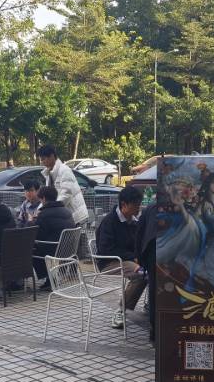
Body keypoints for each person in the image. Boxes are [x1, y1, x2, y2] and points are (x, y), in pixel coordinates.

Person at [95, 186, 147, 328]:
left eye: (139, 204)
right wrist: (133, 257)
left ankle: (151, 304)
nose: (139, 208)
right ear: (124, 204)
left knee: (152, 268)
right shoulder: (109, 221)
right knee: (141, 273)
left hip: (129, 260)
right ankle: (121, 311)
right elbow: (105, 249)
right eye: (136, 205)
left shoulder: (134, 221)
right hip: (109, 262)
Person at [32, 186, 74, 288]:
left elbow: (37, 235)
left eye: (40, 199)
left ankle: (49, 278)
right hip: (69, 248)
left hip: (54, 248)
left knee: (32, 250)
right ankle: (50, 279)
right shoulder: (67, 211)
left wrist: (31, 222)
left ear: (44, 198)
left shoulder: (44, 214)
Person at [37, 145, 88, 226]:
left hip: (75, 216)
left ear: (51, 156)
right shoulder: (49, 174)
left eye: (43, 159)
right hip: (64, 216)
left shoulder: (64, 170)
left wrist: (49, 209)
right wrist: (39, 210)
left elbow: (66, 194)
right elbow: (47, 197)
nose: (42, 162)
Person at [136, 202, 157, 342]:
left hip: (153, 253)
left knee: (155, 291)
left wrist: (141, 260)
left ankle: (155, 330)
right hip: (175, 253)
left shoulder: (151, 207)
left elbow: (140, 234)